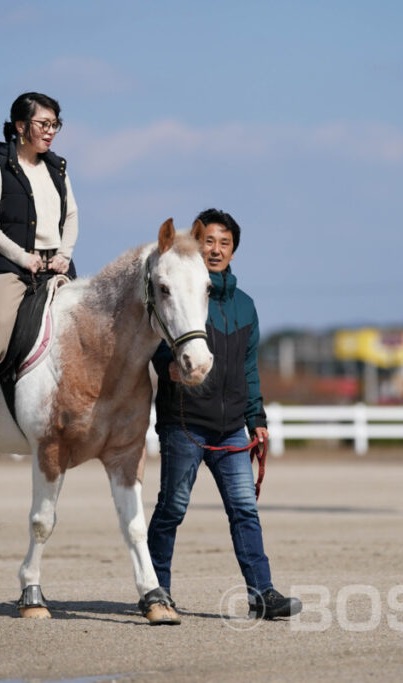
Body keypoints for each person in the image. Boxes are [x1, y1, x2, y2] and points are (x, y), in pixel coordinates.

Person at [145, 208, 301, 620]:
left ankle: (261, 594)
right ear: (197, 245)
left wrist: (258, 421)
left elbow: (250, 370)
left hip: (232, 429)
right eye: (208, 241)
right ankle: (156, 590)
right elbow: (160, 344)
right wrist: (168, 367)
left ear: (234, 251)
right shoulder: (179, 291)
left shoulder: (247, 307)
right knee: (172, 508)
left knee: (245, 510)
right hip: (185, 424)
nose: (215, 250)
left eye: (223, 243)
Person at [0, 92, 78, 438]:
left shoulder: (58, 168)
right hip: (7, 269)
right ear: (21, 126)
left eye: (56, 124)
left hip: (55, 267)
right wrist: (21, 256)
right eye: (44, 124)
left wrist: (65, 253)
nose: (51, 131)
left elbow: (71, 216)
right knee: (0, 321)